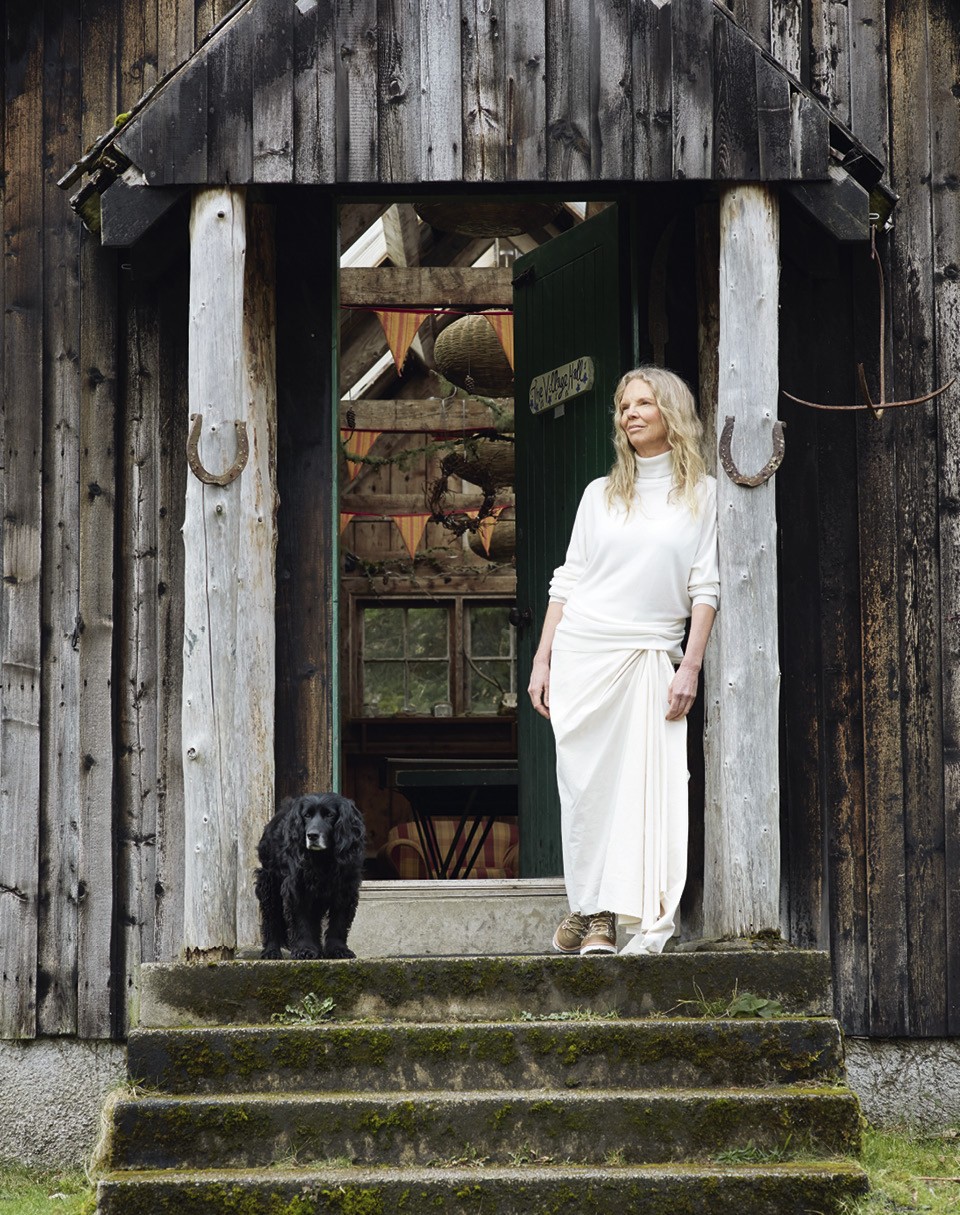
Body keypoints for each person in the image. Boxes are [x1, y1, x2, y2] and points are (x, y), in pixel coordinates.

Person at [527, 367, 719, 956]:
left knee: (645, 791)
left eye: (642, 403)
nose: (629, 413)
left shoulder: (704, 494)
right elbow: (568, 581)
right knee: (586, 792)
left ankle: (618, 912)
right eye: (623, 406)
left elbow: (705, 587)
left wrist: (690, 666)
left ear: (671, 413)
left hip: (651, 658)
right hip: (584, 654)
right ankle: (593, 912)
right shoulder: (599, 495)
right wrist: (542, 660)